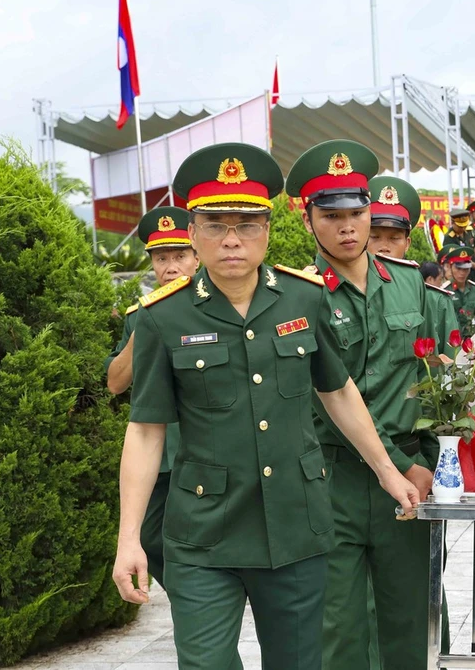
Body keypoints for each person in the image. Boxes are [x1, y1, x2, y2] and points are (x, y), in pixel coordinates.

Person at [112, 143, 418, 670]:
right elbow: (145, 431)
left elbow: (337, 390)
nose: (232, 239)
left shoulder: (304, 298)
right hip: (204, 533)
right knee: (206, 664)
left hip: (295, 526)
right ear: (192, 232)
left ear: (268, 230)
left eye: (248, 223)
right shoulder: (163, 317)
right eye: (214, 224)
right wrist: (128, 539)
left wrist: (388, 472)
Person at [285, 141, 442, 670]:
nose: (347, 227)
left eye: (357, 213)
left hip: (410, 478)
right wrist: (400, 467)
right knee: (340, 631)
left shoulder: (411, 285)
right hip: (332, 481)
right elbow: (321, 397)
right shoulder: (295, 297)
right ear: (308, 220)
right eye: (331, 216)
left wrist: (430, 461)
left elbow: (437, 381)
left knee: (409, 624)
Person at [105, 205, 201, 592]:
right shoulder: (139, 315)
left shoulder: (215, 306)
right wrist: (144, 325)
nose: (171, 267)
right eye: (162, 258)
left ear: (197, 255)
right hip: (159, 455)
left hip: (201, 447)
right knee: (151, 536)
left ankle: (200, 602)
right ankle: (191, 598)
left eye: (180, 256)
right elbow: (115, 382)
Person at [367, 174, 460, 356]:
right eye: (374, 237)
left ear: (407, 243)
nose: (384, 247)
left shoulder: (433, 299)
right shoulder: (342, 291)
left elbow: (445, 365)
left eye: (394, 238)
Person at [442, 245, 475, 337]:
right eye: (458, 268)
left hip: (471, 339)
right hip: (451, 340)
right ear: (450, 267)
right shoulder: (444, 291)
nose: (462, 273)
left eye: (466, 269)